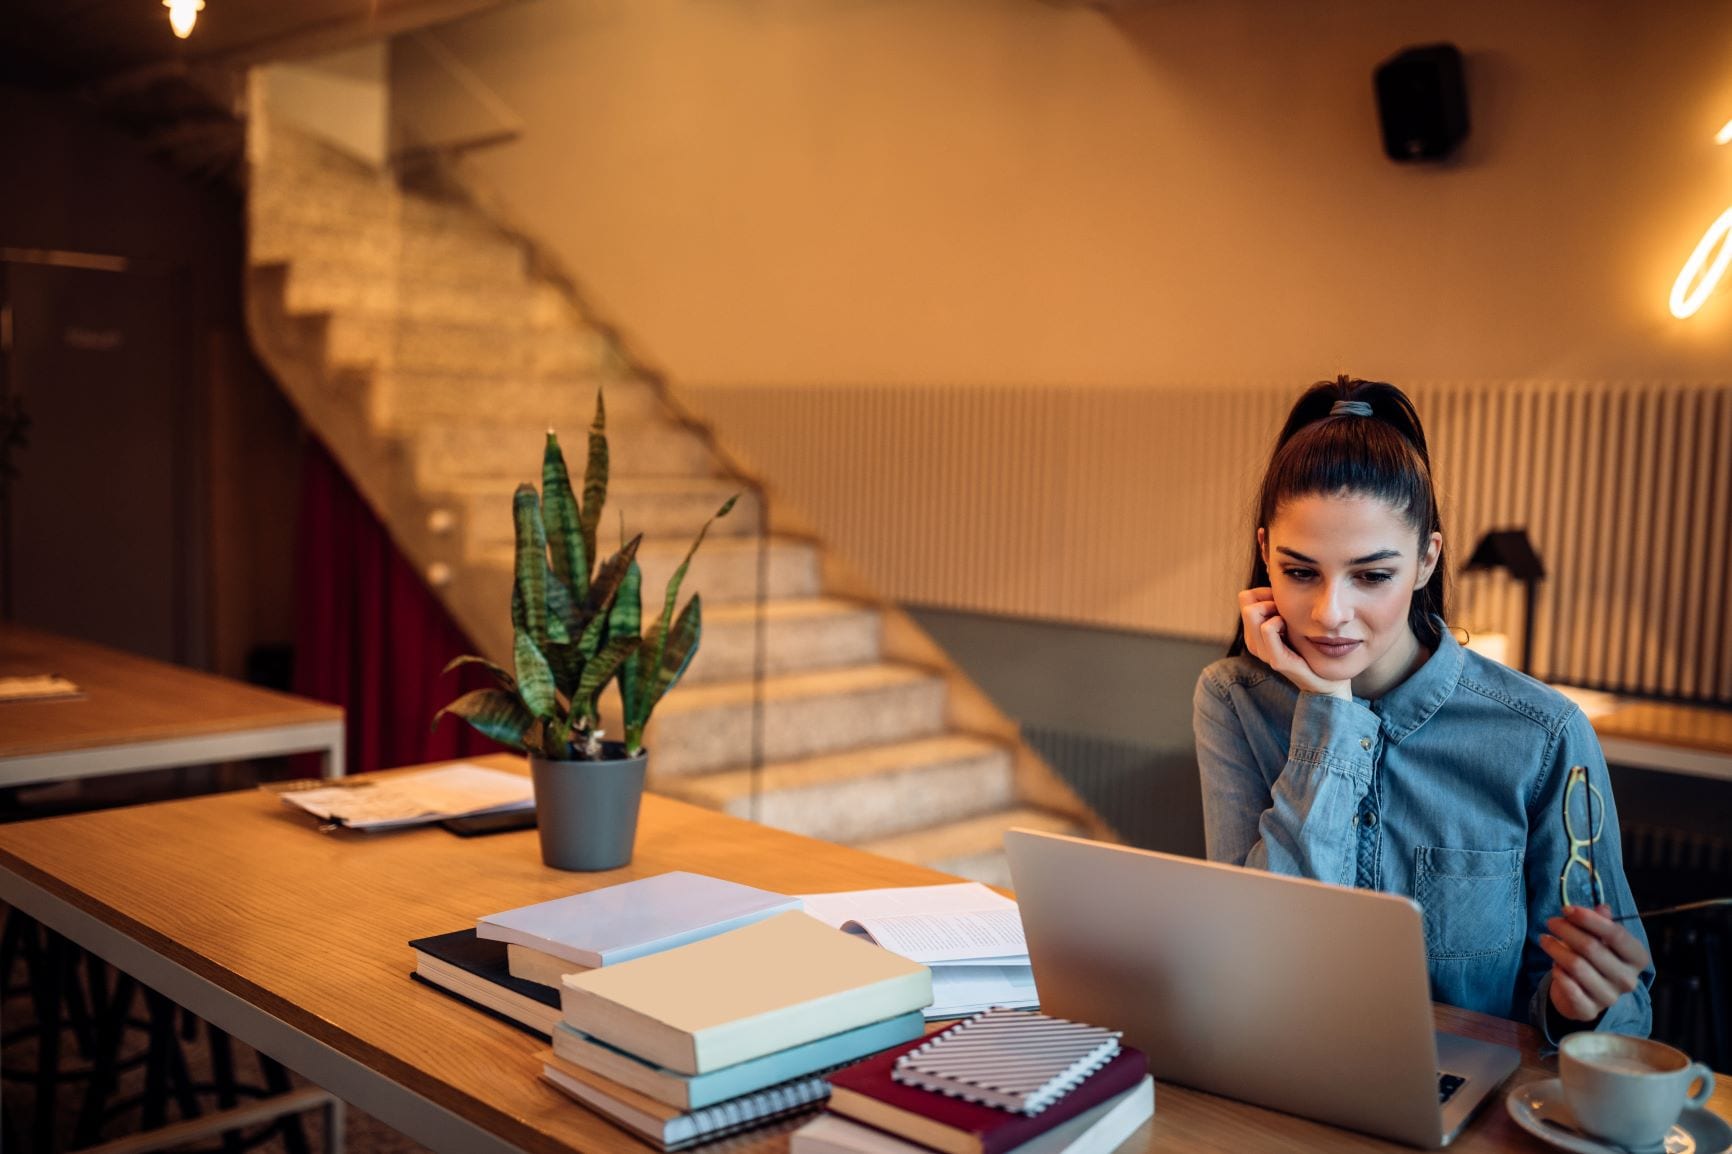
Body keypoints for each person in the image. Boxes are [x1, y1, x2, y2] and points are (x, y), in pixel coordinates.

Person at [1192, 375, 1652, 1044]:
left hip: (1470, 1105)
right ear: (1265, 553)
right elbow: (1255, 952)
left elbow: (1628, 1017)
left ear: (1426, 559)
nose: (1330, 614)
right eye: (1300, 572)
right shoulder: (1233, 700)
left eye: (1372, 576)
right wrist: (1326, 708)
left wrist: (1580, 1008)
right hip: (1288, 1069)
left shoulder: (1543, 737)